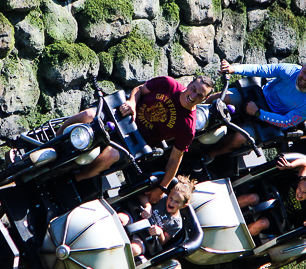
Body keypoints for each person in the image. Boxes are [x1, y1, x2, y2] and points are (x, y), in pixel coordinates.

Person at [58, 75, 213, 201]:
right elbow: (140, 89)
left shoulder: (188, 127)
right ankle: (56, 138)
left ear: (204, 99)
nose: (193, 96)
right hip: (122, 116)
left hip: (135, 140)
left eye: (199, 95)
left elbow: (175, 159)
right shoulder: (168, 84)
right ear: (190, 83)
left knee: (109, 155)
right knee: (88, 115)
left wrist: (162, 188)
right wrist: (132, 102)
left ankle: (77, 178)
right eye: (193, 89)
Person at [202, 58, 306, 160]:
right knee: (219, 97)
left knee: (241, 137)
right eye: (304, 72)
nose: (304, 77)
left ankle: (209, 155)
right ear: (302, 67)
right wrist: (234, 69)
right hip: (259, 96)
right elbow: (262, 69)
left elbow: (286, 121)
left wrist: (258, 113)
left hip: (270, 119)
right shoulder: (291, 70)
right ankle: (197, 112)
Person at [237, 155, 306, 236]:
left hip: (280, 217)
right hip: (272, 197)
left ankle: (238, 238)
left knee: (260, 224)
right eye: (299, 189)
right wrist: (290, 166)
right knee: (250, 198)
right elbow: (305, 162)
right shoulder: (300, 181)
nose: (299, 194)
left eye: (304, 193)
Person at [117, 175, 195, 258]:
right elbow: (142, 196)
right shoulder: (162, 198)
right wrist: (148, 206)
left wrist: (160, 232)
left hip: (145, 237)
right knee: (120, 218)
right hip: (136, 218)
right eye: (171, 198)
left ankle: (116, 257)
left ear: (183, 206)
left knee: (134, 249)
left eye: (176, 202)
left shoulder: (176, 224)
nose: (171, 203)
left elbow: (163, 241)